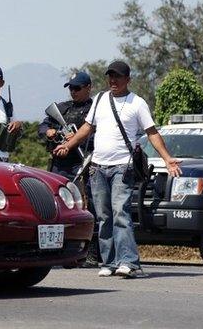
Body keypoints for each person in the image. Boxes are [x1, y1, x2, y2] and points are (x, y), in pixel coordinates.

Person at [54, 60, 181, 278]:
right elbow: (87, 127)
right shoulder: (101, 99)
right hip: (98, 167)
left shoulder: (137, 103)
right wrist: (69, 144)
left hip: (123, 166)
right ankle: (110, 262)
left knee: (120, 213)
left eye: (118, 77)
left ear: (128, 80)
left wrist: (168, 159)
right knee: (103, 216)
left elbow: (152, 132)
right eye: (110, 76)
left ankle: (129, 262)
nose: (113, 80)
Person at [38, 71, 99, 267]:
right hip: (61, 166)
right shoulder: (62, 109)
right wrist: (50, 132)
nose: (73, 92)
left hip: (86, 163)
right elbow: (42, 128)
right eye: (71, 88)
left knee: (91, 209)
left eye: (77, 88)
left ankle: (90, 253)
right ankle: (58, 252)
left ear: (88, 87)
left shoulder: (95, 110)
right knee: (58, 207)